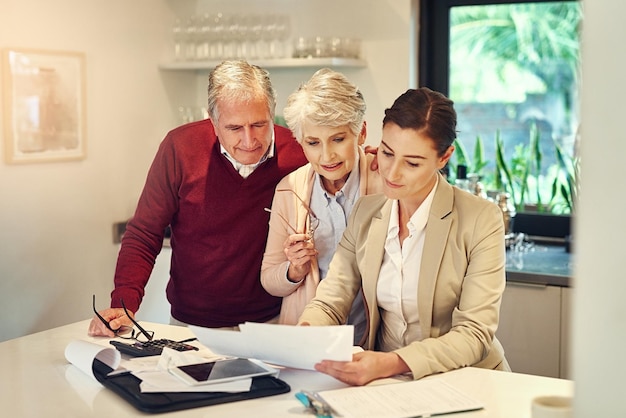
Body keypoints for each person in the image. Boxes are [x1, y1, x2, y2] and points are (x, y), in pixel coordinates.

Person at [298, 87, 510, 385]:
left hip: (467, 380)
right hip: (387, 386)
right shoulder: (367, 212)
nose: (392, 173)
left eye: (412, 163)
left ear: (444, 157)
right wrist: (305, 335)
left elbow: (474, 334)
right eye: (386, 153)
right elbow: (331, 300)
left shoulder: (480, 219)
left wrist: (390, 363)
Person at [88, 60, 308, 337]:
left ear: (273, 113)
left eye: (259, 124)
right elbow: (144, 232)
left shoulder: (299, 153)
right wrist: (124, 303)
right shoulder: (180, 148)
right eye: (234, 128)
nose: (249, 139)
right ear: (213, 121)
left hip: (273, 321)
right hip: (191, 325)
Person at [260, 68, 382, 345]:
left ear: (361, 133)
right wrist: (293, 271)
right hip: (309, 340)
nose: (327, 156)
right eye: (313, 143)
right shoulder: (289, 189)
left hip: (374, 342)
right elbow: (270, 279)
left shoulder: (386, 182)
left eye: (338, 139)